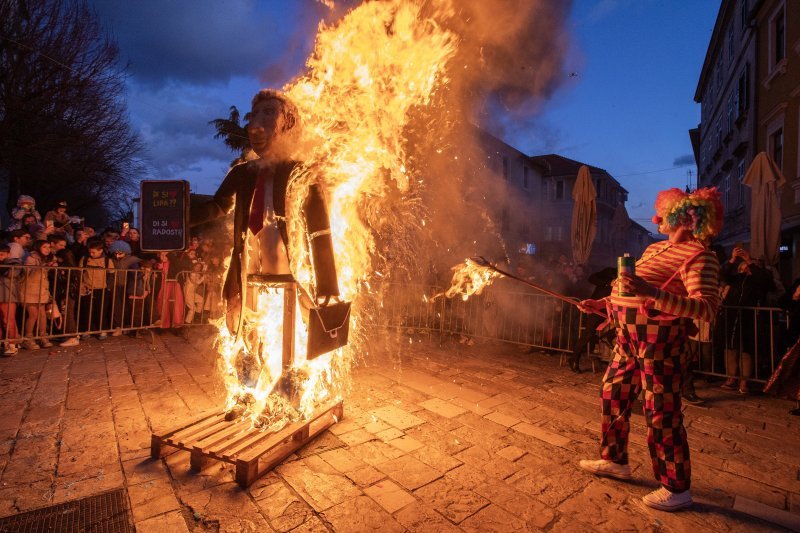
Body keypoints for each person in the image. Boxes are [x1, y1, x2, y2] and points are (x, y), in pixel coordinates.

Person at [190, 89, 340, 410]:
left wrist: (328, 286)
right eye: (254, 116)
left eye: (268, 114)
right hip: (249, 271)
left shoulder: (302, 173)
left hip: (291, 272)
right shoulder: (242, 173)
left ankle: (289, 392)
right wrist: (176, 215)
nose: (256, 125)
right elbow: (217, 205)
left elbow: (319, 231)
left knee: (298, 333)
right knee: (246, 331)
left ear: (288, 123)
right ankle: (246, 392)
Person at [577, 187, 723, 512]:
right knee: (612, 394)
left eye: (667, 213)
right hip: (627, 340)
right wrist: (602, 304)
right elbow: (629, 293)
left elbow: (706, 308)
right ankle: (615, 460)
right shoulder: (654, 248)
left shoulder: (700, 256)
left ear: (687, 217)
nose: (659, 217)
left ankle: (676, 487)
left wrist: (652, 292)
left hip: (661, 345)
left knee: (660, 411)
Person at [719, 244, 773, 394]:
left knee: (746, 350)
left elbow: (766, 281)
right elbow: (722, 276)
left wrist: (749, 261)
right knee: (730, 348)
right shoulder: (736, 279)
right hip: (732, 318)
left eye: (748, 266)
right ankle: (731, 379)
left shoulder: (758, 279)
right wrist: (732, 259)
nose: (745, 268)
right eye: (742, 266)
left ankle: (744, 382)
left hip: (749, 318)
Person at [569, 266, 616, 373]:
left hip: (615, 308)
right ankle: (574, 358)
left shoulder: (634, 276)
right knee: (588, 334)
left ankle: (606, 345)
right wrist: (610, 281)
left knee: (619, 332)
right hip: (597, 307)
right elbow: (592, 278)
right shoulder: (611, 271)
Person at [19, 239, 55, 350]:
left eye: (49, 247)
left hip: (41, 290)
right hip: (30, 290)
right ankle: (28, 338)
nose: (47, 249)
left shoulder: (45, 259)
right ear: (38, 247)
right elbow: (27, 273)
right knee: (33, 315)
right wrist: (42, 266)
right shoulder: (31, 258)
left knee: (42, 314)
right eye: (44, 247)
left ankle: (43, 336)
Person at [77, 238, 113, 339]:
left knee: (101, 310)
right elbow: (79, 273)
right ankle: (86, 330)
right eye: (90, 252)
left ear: (101, 250)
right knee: (87, 310)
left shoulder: (107, 261)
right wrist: (81, 284)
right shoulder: (84, 259)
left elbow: (111, 275)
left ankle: (102, 330)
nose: (91, 254)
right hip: (87, 288)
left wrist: (108, 287)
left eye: (93, 252)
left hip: (102, 288)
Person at [108, 240, 140, 335]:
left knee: (128, 307)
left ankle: (127, 326)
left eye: (120, 253)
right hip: (116, 286)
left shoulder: (132, 260)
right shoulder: (111, 259)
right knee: (116, 306)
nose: (117, 256)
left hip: (127, 286)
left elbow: (138, 272)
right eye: (115, 253)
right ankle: (117, 326)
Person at [0, 244, 21, 355]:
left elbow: (10, 273)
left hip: (7, 295)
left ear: (8, 254)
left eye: (2, 254)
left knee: (8, 320)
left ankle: (12, 344)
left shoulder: (14, 263)